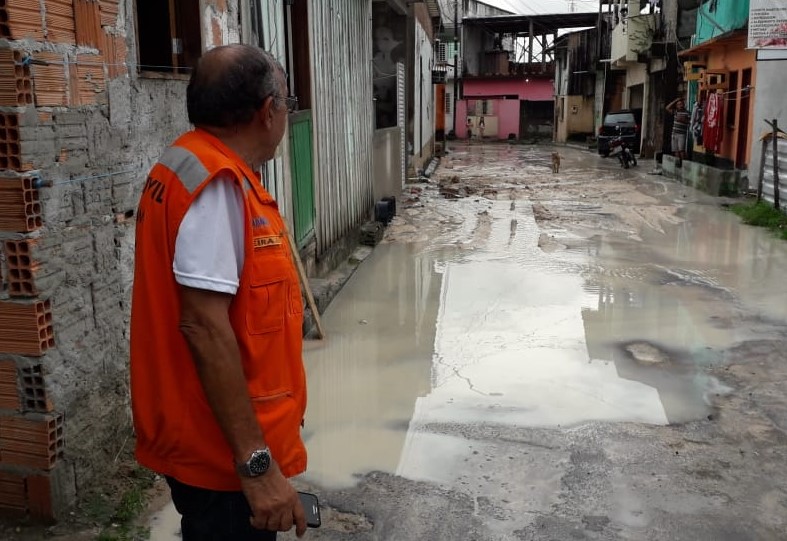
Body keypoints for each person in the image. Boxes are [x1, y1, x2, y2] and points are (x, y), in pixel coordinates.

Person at [130, 44, 307, 540]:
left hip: (207, 441)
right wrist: (257, 468)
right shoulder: (217, 185)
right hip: (224, 461)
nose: (286, 118)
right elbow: (204, 328)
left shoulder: (190, 163)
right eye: (288, 107)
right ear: (269, 111)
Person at [666, 97, 690, 167]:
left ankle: (684, 165)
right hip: (674, 133)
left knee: (681, 150)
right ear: (676, 106)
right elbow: (667, 108)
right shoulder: (676, 112)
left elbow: (690, 122)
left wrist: (683, 120)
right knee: (675, 150)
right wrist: (675, 100)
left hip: (682, 134)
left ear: (683, 104)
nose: (680, 105)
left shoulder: (687, 112)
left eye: (681, 104)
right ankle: (678, 165)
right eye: (678, 104)